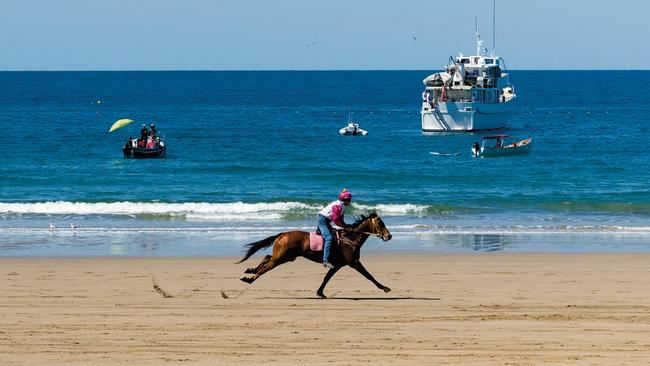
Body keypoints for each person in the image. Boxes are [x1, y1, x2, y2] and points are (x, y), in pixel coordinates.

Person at [317, 189, 352, 268]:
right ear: (346, 199)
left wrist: (347, 226)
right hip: (323, 220)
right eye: (349, 200)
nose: (350, 202)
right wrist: (345, 226)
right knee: (329, 238)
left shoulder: (343, 206)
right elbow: (336, 220)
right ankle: (325, 261)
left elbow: (341, 220)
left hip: (327, 221)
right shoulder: (338, 206)